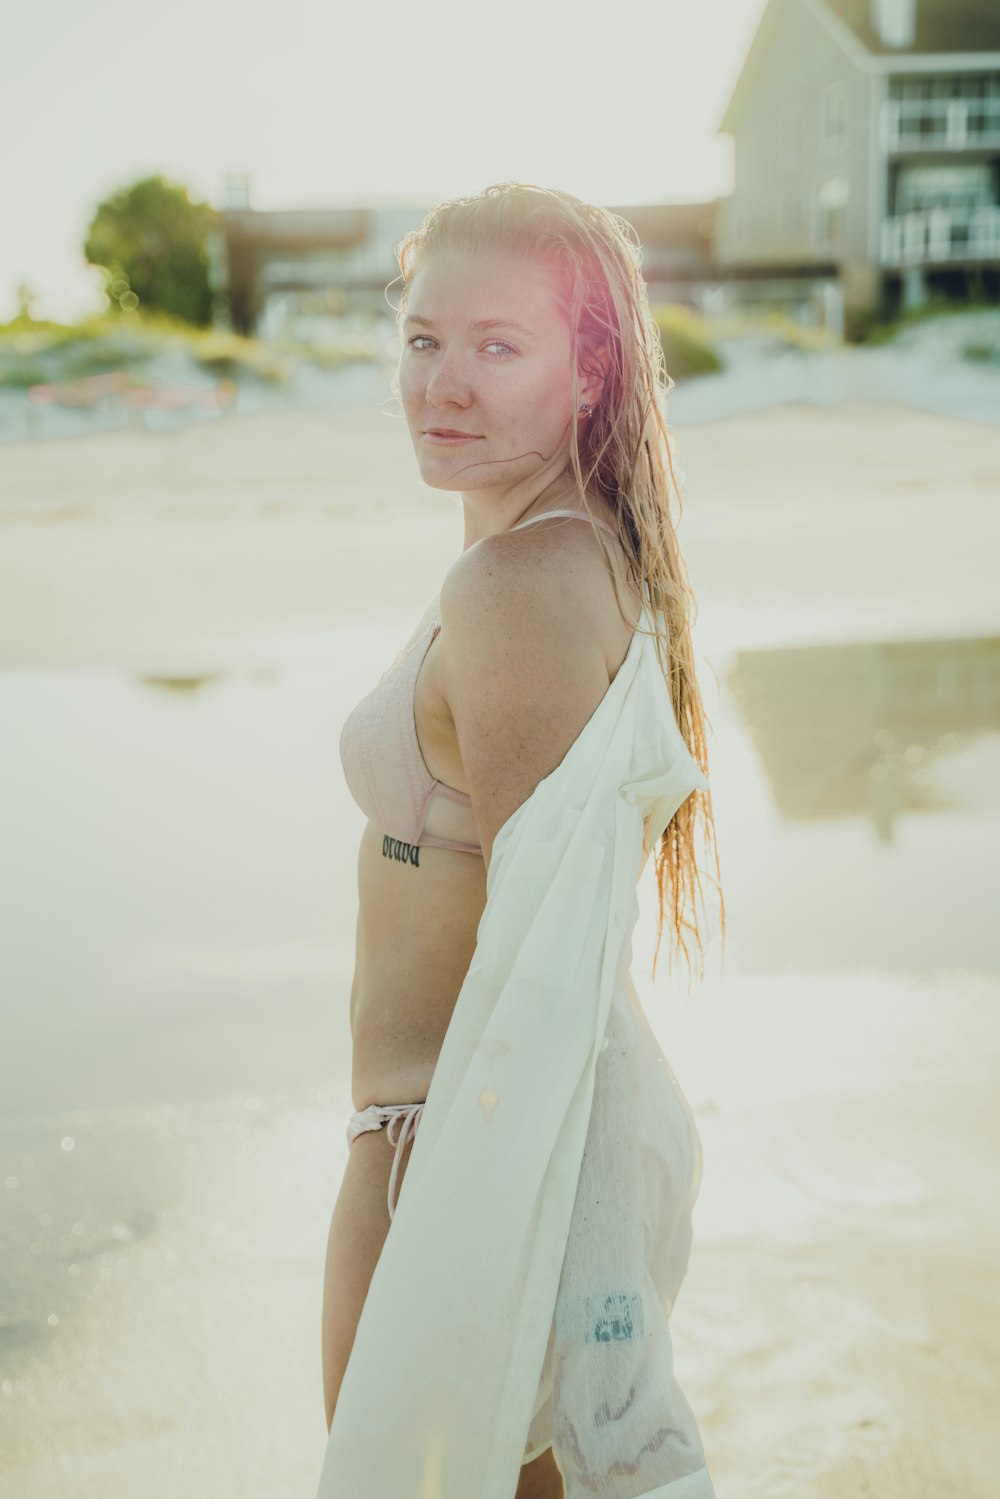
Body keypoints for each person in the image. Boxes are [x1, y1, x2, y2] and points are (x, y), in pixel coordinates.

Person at [325, 182, 723, 1499]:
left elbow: (548, 979)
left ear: (588, 370)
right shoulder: (559, 556)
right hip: (478, 1142)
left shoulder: (516, 588)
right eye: (424, 338)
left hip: (469, 1159)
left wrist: (558, 1281)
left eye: (498, 346)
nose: (442, 382)